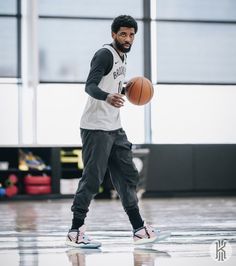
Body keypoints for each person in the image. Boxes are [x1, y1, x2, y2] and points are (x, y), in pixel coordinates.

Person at [66, 15, 170, 248]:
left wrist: (123, 88)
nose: (128, 38)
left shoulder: (123, 56)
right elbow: (90, 85)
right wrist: (108, 96)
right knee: (92, 179)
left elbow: (110, 83)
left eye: (132, 34)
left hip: (115, 127)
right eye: (123, 34)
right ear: (113, 34)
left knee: (127, 176)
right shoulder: (104, 54)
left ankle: (139, 229)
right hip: (95, 128)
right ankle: (75, 231)